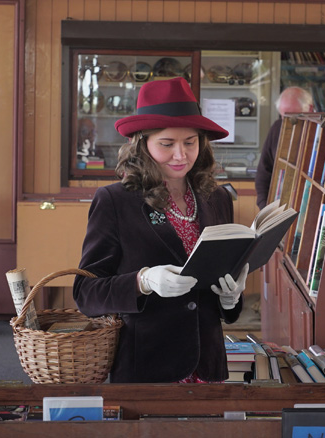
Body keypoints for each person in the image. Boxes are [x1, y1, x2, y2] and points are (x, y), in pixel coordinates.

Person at [73, 77, 249, 383]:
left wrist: (230, 299)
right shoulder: (115, 201)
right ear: (142, 143)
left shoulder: (217, 198)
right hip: (148, 365)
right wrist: (143, 281)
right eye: (166, 144)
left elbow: (216, 290)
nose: (180, 155)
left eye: (190, 142)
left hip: (208, 366)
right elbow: (85, 293)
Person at [255, 86, 314, 209]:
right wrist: (264, 206)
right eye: (284, 117)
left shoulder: (323, 132)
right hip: (278, 206)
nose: (289, 122)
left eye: (294, 117)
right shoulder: (277, 128)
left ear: (310, 109)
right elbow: (264, 172)